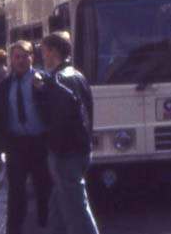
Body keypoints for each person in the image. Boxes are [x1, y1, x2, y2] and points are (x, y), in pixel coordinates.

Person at [38, 32, 98, 234]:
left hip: (65, 153)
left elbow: (59, 121)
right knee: (59, 206)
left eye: (44, 52)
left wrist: (54, 148)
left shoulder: (58, 80)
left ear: (53, 51)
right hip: (81, 149)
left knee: (76, 211)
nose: (42, 57)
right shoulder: (78, 75)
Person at [0, 41, 51, 234]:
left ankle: (46, 226)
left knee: (45, 189)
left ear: (32, 57)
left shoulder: (43, 80)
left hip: (40, 142)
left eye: (25, 56)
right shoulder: (5, 85)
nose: (21, 61)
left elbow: (53, 110)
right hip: (16, 144)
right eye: (17, 57)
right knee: (16, 192)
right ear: (11, 59)